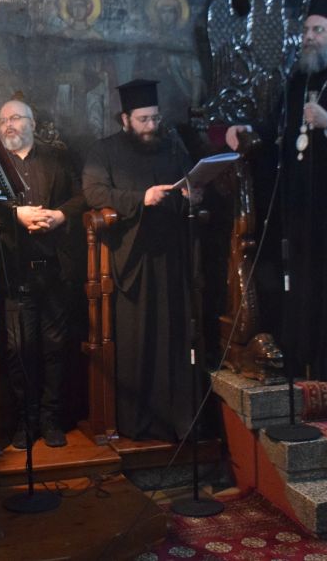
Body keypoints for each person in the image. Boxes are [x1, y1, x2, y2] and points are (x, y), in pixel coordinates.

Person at [225, 0, 327, 382]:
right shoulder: (300, 77)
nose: (309, 37)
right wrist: (248, 129)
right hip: (302, 203)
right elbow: (279, 126)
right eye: (306, 30)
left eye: (319, 30)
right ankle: (305, 355)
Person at [82, 79, 198, 441]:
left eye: (155, 118)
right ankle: (139, 421)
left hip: (172, 256)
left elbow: (190, 179)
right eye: (143, 119)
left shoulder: (172, 146)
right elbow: (93, 192)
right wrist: (140, 198)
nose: (151, 126)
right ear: (125, 119)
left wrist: (193, 193)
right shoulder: (104, 151)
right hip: (133, 258)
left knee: (175, 338)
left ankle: (177, 420)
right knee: (141, 340)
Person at [0, 98, 83, 448]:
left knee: (55, 347)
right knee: (19, 349)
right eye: (3, 120)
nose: (9, 124)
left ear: (32, 123)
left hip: (56, 269)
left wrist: (59, 215)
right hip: (16, 271)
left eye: (16, 118)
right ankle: (25, 422)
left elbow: (81, 197)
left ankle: (51, 419)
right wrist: (16, 215)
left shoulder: (57, 158)